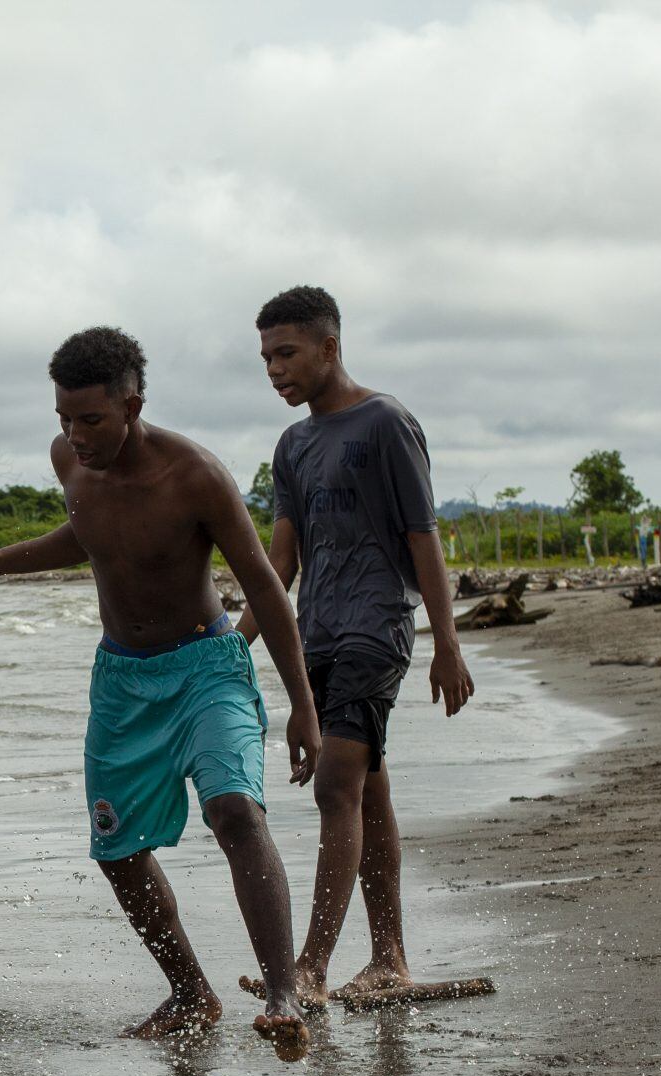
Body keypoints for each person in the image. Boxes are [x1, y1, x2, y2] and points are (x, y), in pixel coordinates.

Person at [0, 327, 320, 1059]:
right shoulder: (69, 463)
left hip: (207, 666)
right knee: (117, 851)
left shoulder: (195, 474)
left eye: (91, 420)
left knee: (235, 810)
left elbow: (265, 582)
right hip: (122, 680)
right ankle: (190, 991)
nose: (74, 436)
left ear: (132, 405)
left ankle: (281, 995)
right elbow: (88, 534)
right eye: (63, 420)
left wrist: (302, 703)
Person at [242, 285, 475, 1011]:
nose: (276, 369)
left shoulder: (385, 423)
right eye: (266, 358)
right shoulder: (293, 445)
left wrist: (447, 643)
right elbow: (278, 566)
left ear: (330, 348)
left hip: (378, 628)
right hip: (318, 633)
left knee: (334, 786)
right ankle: (388, 960)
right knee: (367, 790)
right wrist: (229, 645)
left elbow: (422, 538)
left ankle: (307, 968)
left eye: (287, 353)